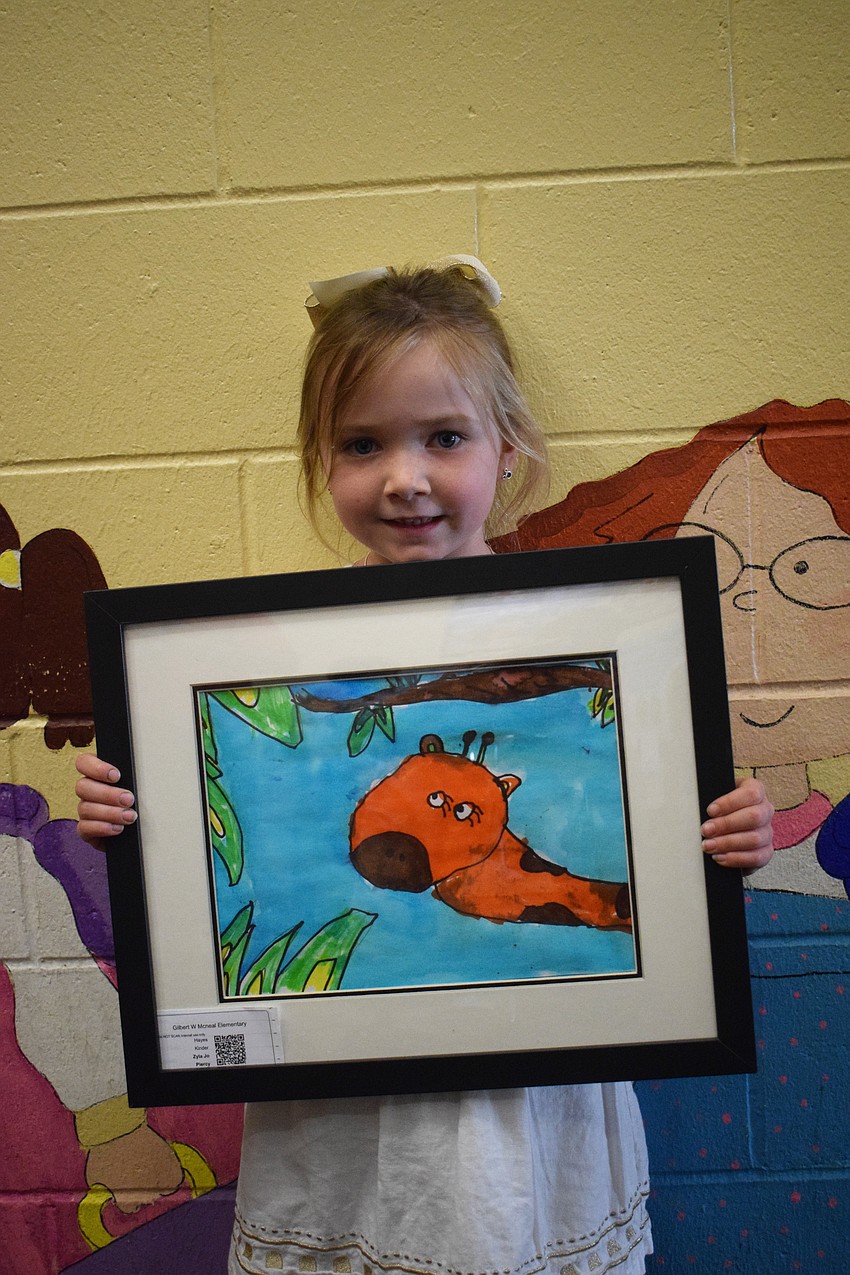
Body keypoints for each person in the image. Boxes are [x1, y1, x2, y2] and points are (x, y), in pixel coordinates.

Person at [76, 257, 774, 1275]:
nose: (404, 477)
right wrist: (135, 811)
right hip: (346, 1119)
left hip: (533, 1112)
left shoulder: (608, 639)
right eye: (364, 445)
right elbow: (215, 885)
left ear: (509, 449)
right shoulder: (257, 663)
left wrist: (723, 845)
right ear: (324, 461)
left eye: (443, 438)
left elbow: (660, 886)